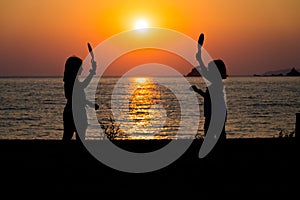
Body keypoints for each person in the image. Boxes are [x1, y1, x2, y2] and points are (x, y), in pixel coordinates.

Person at [191, 33, 227, 143]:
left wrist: (200, 59)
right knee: (215, 137)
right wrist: (200, 58)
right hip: (215, 113)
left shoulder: (216, 83)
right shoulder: (216, 83)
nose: (208, 70)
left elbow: (206, 74)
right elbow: (208, 96)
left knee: (214, 138)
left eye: (211, 69)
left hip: (215, 114)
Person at [62, 56, 99, 141]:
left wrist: (92, 72)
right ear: (75, 68)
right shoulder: (71, 82)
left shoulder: (71, 81)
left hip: (72, 112)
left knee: (68, 137)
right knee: (78, 139)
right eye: (80, 67)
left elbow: (81, 88)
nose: (82, 69)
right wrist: (91, 104)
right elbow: (76, 96)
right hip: (75, 113)